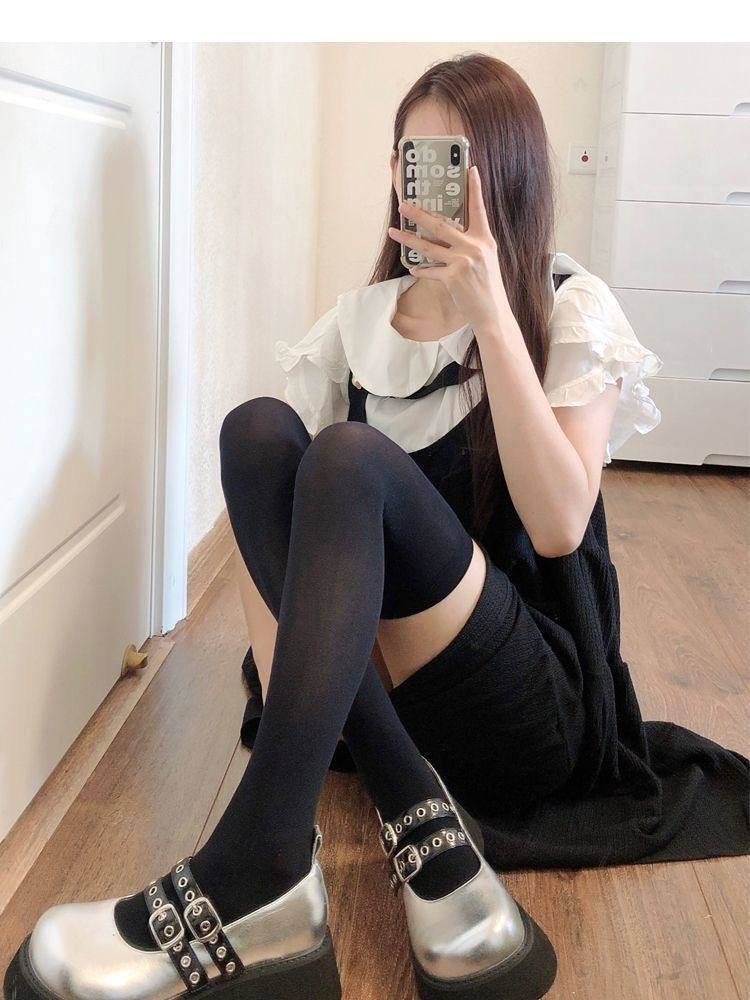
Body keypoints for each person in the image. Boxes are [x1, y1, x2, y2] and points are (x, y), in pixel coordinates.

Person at [5, 52, 747, 1000]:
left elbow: (560, 527)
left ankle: (258, 863)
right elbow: (295, 566)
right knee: (259, 433)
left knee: (350, 460)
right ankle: (386, 812)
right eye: (411, 158)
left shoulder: (566, 306)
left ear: (506, 176)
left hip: (526, 704)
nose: (424, 185)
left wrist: (492, 317)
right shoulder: (354, 326)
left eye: (454, 162)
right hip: (388, 711)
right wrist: (299, 716)